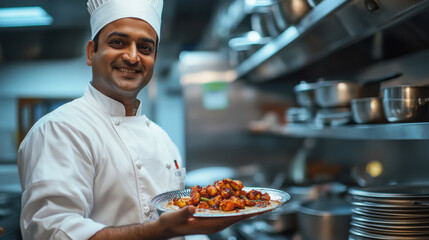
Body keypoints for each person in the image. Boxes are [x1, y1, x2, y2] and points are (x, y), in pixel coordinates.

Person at [17, 0, 259, 239]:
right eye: (118, 43)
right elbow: (51, 232)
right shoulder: (60, 130)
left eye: (145, 48)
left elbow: (183, 226)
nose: (133, 57)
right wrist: (159, 231)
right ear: (92, 52)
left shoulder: (162, 139)